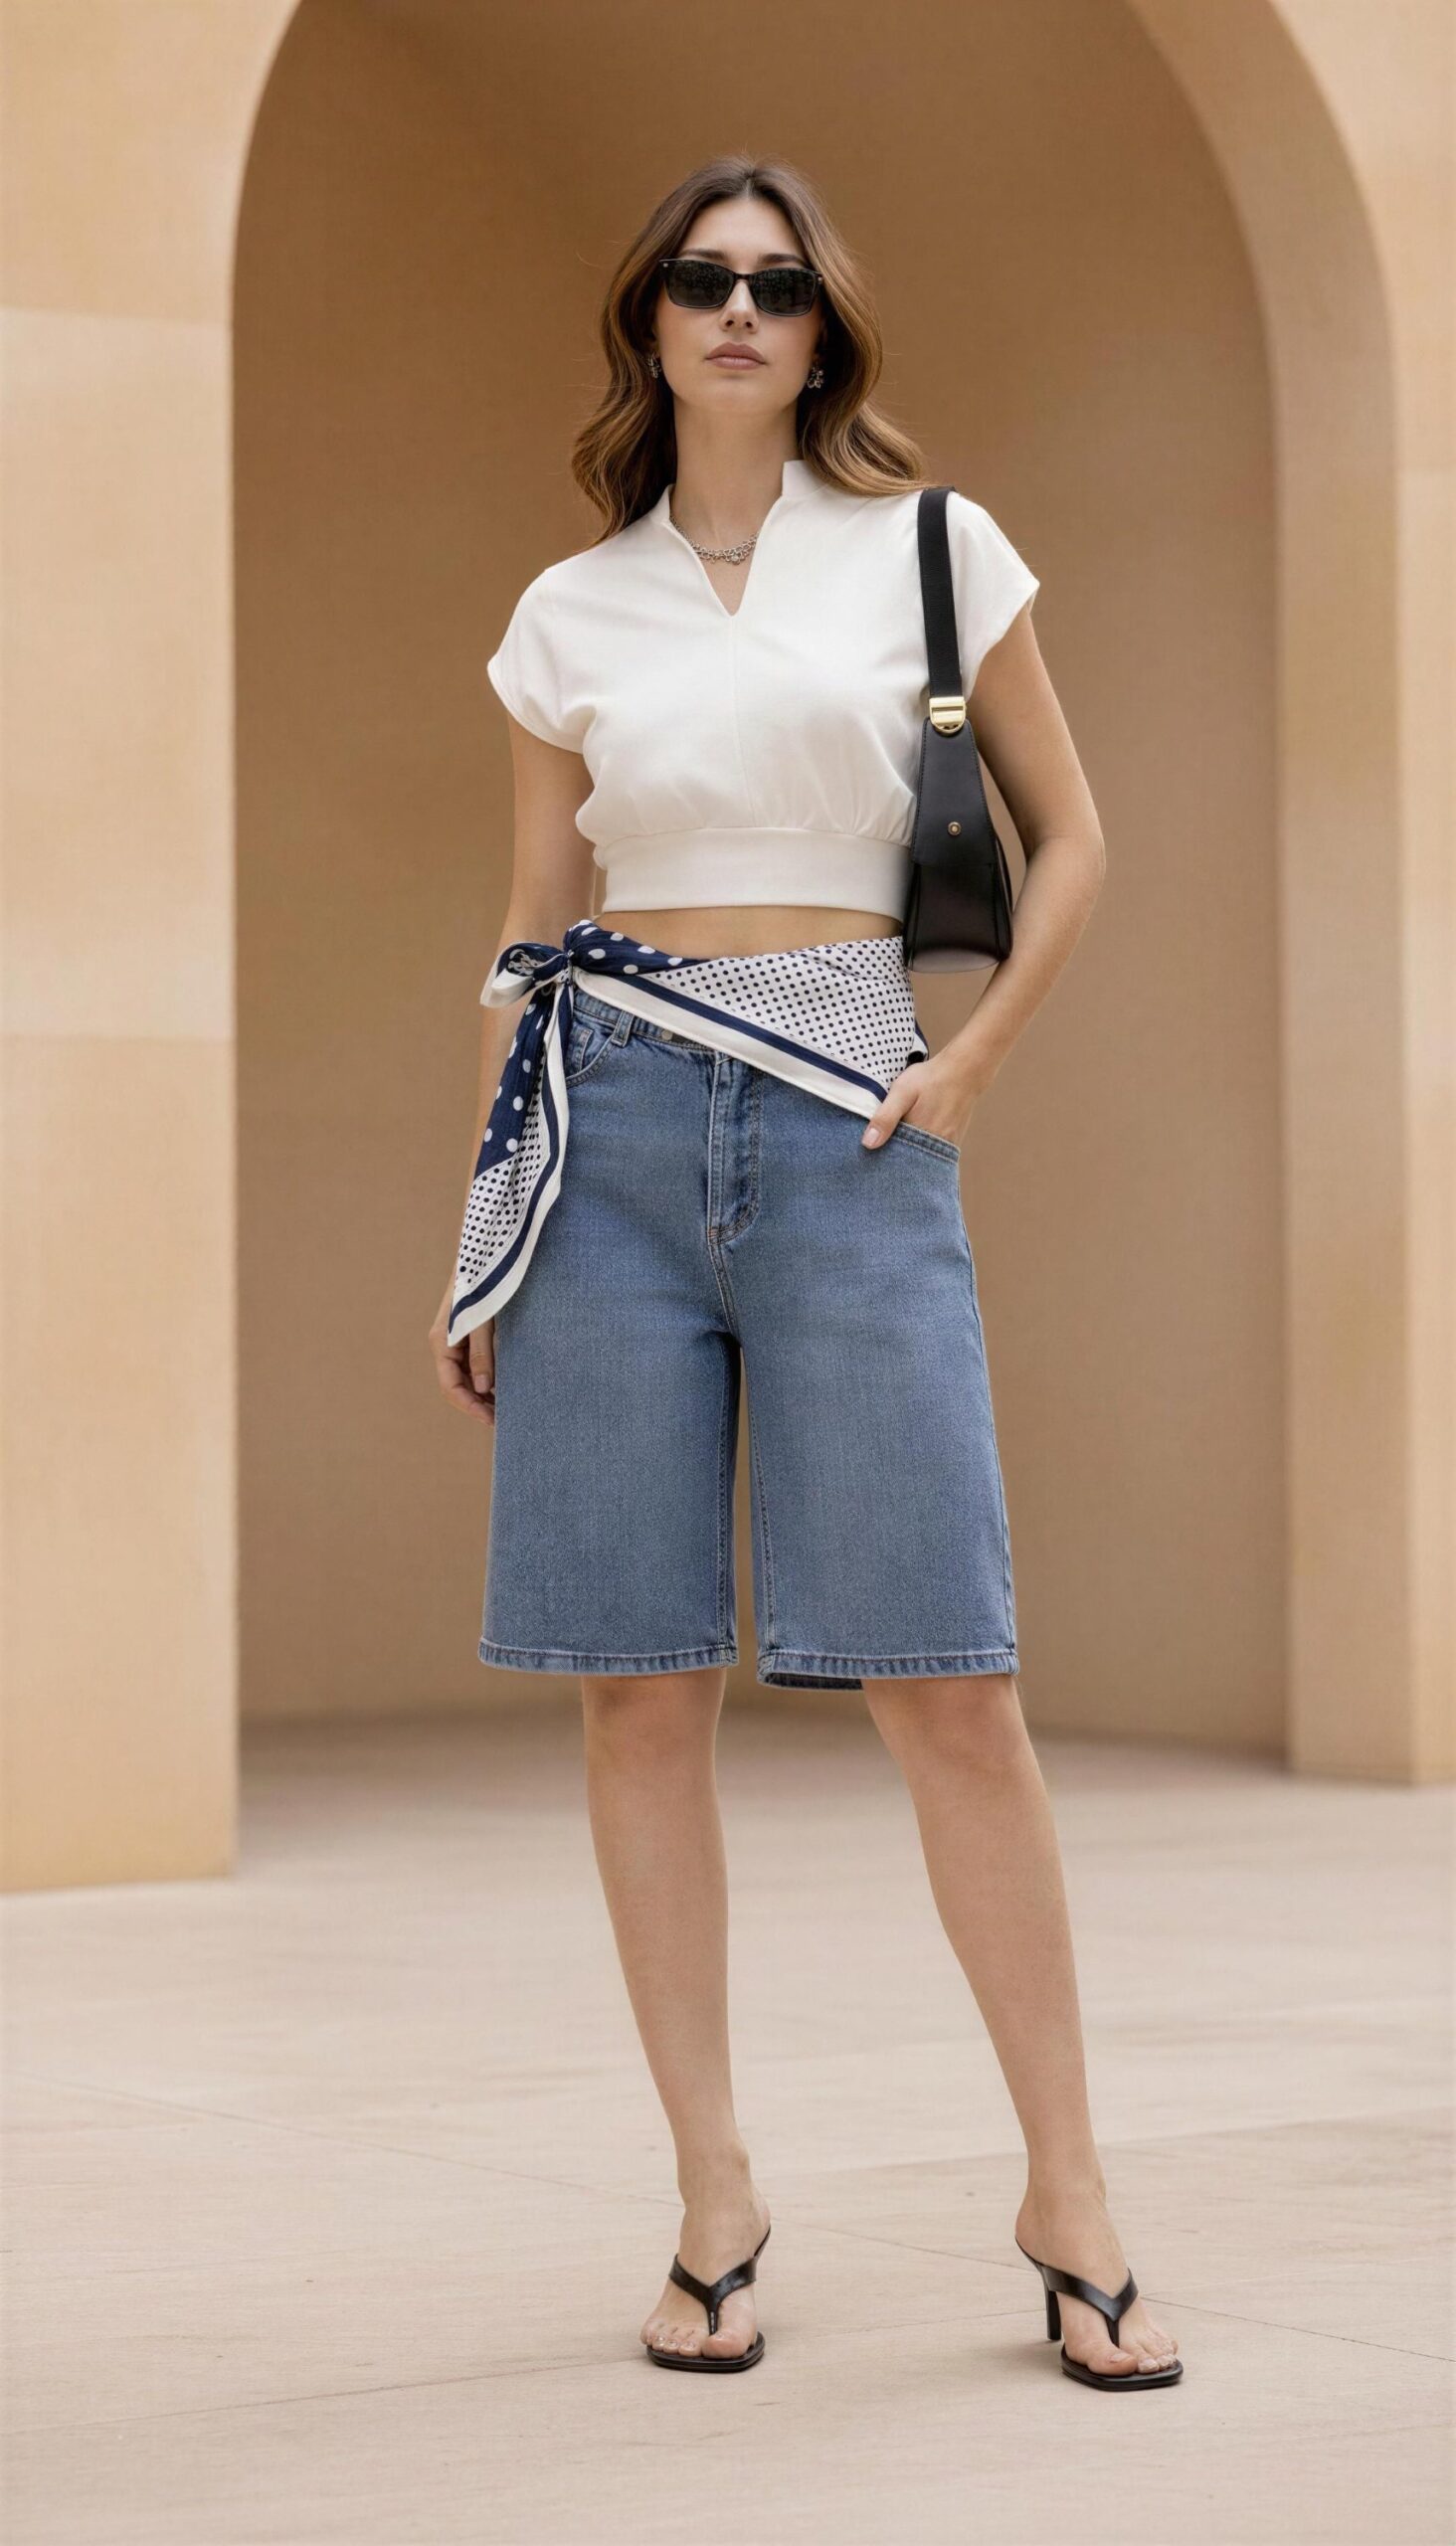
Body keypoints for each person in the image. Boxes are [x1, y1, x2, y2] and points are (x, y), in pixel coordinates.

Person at [429, 153, 1182, 2393]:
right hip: (607, 1142)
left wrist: (970, 1066)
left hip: (858, 1126)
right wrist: (484, 1223)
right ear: (650, 322)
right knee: (638, 1683)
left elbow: (1076, 837)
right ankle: (715, 2197)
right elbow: (526, 936)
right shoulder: (571, 610)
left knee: (952, 1680)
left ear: (823, 323)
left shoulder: (937, 549)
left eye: (775, 282)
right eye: (700, 280)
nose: (739, 310)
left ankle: (1070, 2192)